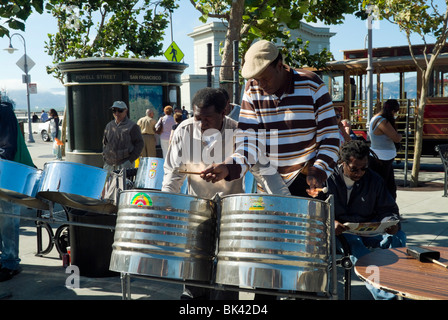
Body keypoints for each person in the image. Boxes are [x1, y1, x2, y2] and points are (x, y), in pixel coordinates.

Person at [162, 87, 288, 299]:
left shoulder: (240, 133)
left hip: (232, 217)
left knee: (227, 284)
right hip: (197, 213)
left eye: (208, 118)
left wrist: (285, 203)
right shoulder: (184, 131)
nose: (202, 125)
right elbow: (173, 175)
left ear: (225, 111)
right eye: (197, 117)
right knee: (194, 284)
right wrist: (166, 203)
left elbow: (265, 174)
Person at [201, 40, 340, 199]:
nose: (260, 85)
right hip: (269, 183)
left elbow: (330, 137)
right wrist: (228, 167)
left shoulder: (312, 84)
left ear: (279, 66)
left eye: (265, 79)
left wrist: (318, 170)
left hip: (308, 180)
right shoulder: (252, 89)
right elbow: (249, 142)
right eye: (256, 80)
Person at [327, 140, 406, 300]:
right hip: (341, 233)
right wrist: (331, 222)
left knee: (398, 237)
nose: (360, 173)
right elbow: (319, 210)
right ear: (343, 163)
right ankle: (385, 296)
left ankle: (398, 285)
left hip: (370, 229)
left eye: (364, 168)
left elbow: (389, 208)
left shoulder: (374, 180)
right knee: (357, 247)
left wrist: (391, 222)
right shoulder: (329, 179)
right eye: (354, 169)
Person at [0, 101, 34, 282]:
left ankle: (10, 262)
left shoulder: (3, 111)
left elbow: (7, 146)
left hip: (8, 172)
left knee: (7, 219)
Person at [368, 99, 402, 199]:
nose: (395, 114)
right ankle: (385, 207)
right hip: (383, 157)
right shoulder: (382, 121)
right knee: (387, 187)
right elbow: (395, 138)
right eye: (395, 112)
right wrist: (400, 136)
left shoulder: (375, 118)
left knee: (384, 185)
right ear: (392, 110)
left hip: (380, 156)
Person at [102, 101, 144, 173]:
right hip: (109, 165)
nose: (116, 113)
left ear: (126, 111)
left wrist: (130, 161)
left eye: (120, 110)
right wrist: (104, 157)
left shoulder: (133, 126)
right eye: (114, 110)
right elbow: (105, 143)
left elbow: (139, 145)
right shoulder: (109, 125)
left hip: (124, 165)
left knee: (123, 184)